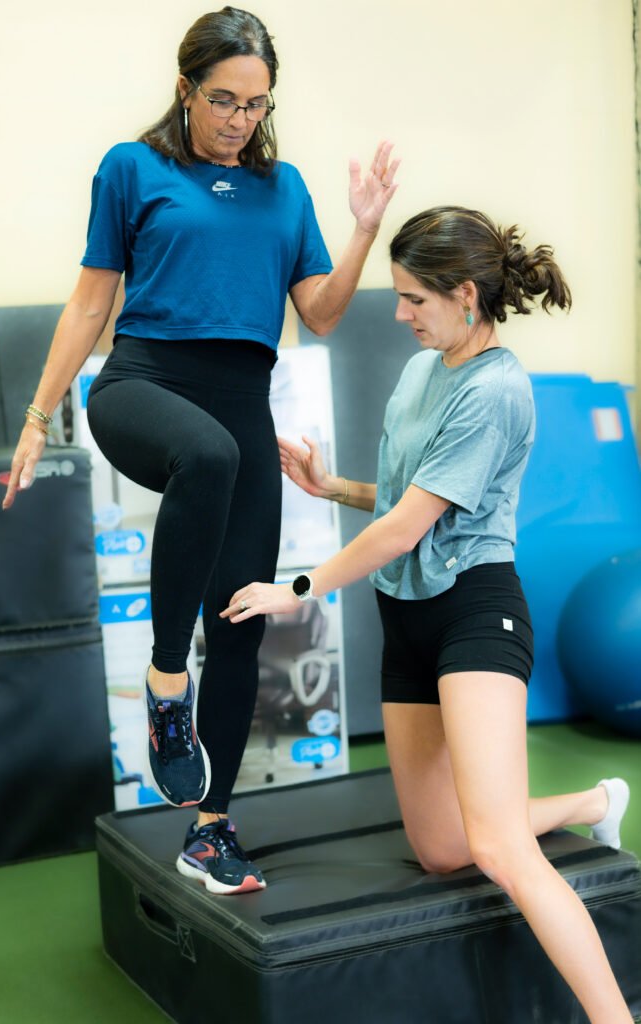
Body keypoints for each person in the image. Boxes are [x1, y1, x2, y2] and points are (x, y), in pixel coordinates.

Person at [1, 6, 399, 896]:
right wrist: (36, 415)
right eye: (223, 100)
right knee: (209, 458)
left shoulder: (284, 188)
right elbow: (89, 304)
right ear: (185, 89)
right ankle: (163, 679)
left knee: (245, 619)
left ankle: (210, 829)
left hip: (240, 410)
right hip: (142, 387)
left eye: (256, 105)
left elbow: (322, 315)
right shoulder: (132, 168)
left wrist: (364, 226)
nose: (239, 120)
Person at [222, 206, 633, 1021]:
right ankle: (592, 804)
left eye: (414, 299)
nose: (400, 314)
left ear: (466, 297)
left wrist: (294, 588)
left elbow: (408, 527)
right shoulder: (422, 372)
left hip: (473, 614)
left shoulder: (496, 388)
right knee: (445, 850)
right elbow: (408, 500)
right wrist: (331, 486)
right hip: (406, 616)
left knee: (502, 852)